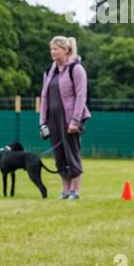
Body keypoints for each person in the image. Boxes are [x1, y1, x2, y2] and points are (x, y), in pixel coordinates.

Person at [39, 35, 90, 199]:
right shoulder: (49, 71)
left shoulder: (76, 69)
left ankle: (75, 191)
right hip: (53, 118)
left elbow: (81, 96)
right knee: (59, 155)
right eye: (51, 49)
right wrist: (42, 123)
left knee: (71, 153)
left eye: (56, 49)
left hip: (70, 119)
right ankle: (65, 191)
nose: (52, 52)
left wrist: (75, 120)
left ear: (66, 50)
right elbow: (44, 97)